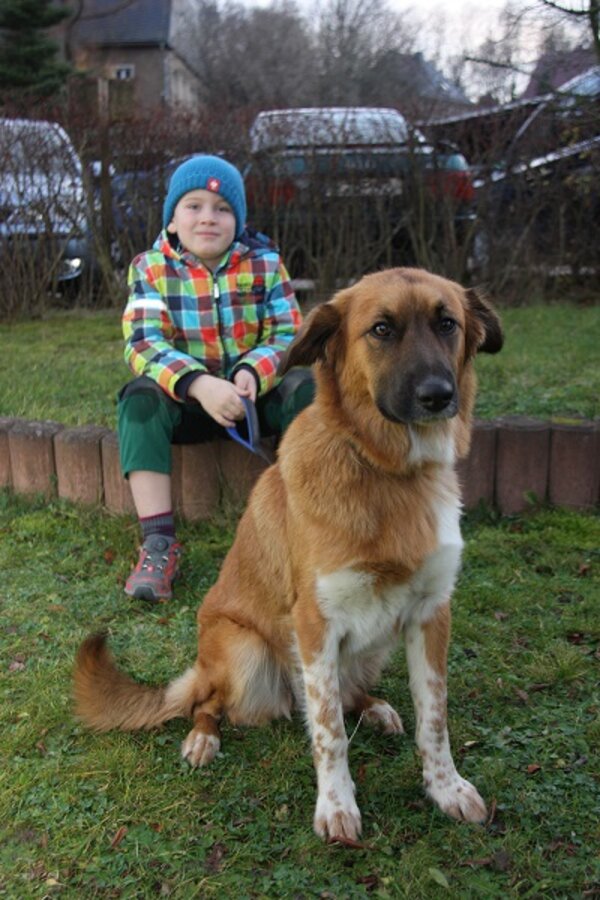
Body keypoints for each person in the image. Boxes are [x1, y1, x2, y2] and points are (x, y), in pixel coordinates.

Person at [118, 154, 313, 602]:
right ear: (171, 220)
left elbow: (288, 333)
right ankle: (158, 543)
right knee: (138, 400)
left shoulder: (265, 264)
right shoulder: (150, 268)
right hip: (185, 403)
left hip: (252, 401)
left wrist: (252, 371)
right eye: (193, 205)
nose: (208, 217)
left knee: (309, 390)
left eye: (222, 208)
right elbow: (142, 342)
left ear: (238, 221)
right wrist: (199, 384)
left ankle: (311, 520)